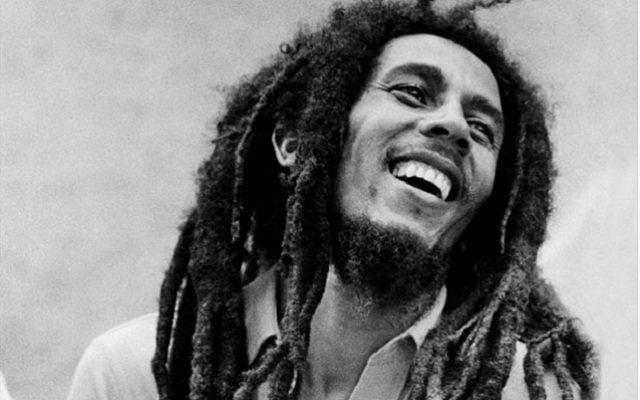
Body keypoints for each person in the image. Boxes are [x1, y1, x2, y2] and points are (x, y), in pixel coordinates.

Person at [67, 0, 599, 399]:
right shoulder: (134, 376)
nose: (454, 126)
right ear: (298, 140)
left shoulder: (529, 393)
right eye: (412, 92)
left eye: (483, 129)